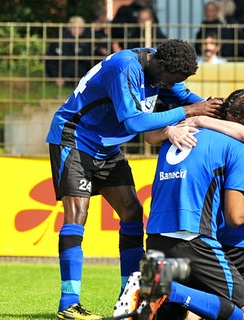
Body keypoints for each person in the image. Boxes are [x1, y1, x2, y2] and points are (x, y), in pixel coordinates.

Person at [46, 39, 223, 320]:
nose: (170, 86)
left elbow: (191, 100)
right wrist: (189, 112)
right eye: (171, 79)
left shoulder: (164, 69)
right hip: (75, 136)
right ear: (161, 65)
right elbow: (135, 123)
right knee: (77, 214)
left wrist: (222, 111)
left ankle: (127, 299)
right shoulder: (125, 66)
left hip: (106, 145)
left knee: (132, 211)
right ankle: (69, 303)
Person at [143, 92, 244, 319]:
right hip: (214, 238)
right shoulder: (220, 137)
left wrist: (198, 119)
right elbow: (150, 135)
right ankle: (169, 296)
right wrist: (174, 127)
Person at [45, 16, 92, 88]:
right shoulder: (61, 40)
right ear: (69, 27)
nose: (77, 30)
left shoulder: (87, 40)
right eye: (74, 27)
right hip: (64, 75)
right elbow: (51, 60)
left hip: (82, 77)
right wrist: (56, 77)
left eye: (80, 28)